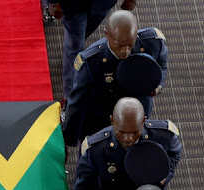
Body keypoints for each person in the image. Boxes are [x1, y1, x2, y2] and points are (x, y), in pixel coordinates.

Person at [68, 97, 181, 190]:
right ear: (112, 121)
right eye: (121, 132)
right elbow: (83, 187)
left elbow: (174, 153)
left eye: (135, 132)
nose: (128, 139)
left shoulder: (163, 136)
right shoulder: (97, 149)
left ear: (144, 121)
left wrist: (164, 176)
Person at [62, 10, 168, 146]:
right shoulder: (91, 62)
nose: (125, 51)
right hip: (102, 120)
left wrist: (158, 84)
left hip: (136, 116)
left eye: (130, 44)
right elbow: (77, 103)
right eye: (119, 46)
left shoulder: (152, 42)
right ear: (107, 34)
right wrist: (68, 140)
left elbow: (162, 61)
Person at [48, 0, 137, 109]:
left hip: (102, 5)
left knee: (83, 33)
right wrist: (53, 2)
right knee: (74, 48)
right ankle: (70, 99)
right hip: (73, 6)